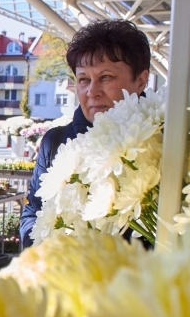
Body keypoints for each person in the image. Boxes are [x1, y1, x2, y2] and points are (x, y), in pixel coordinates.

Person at [19, 20, 150, 247]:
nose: (92, 91)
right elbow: (32, 214)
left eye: (106, 77)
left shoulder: (163, 142)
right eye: (83, 79)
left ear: (140, 80)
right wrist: (53, 246)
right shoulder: (55, 142)